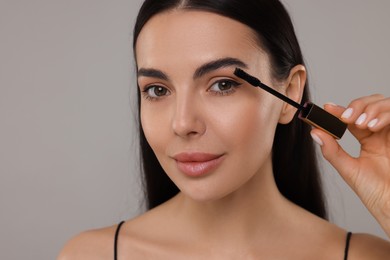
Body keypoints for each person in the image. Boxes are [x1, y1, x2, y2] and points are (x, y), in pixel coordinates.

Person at [58, 0, 390, 259]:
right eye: (157, 89)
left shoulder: (366, 257)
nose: (183, 123)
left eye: (222, 85)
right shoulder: (90, 256)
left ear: (290, 95)